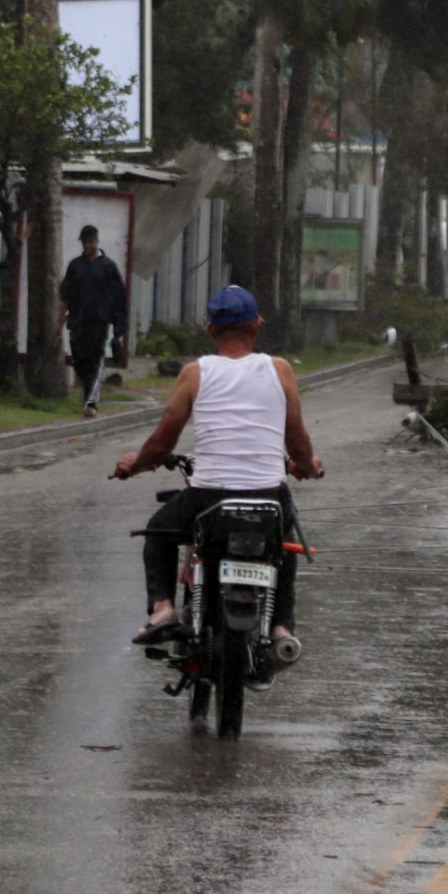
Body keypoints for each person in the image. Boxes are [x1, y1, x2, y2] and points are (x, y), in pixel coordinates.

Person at [114, 285, 324, 666]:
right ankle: (281, 627)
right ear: (257, 326)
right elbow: (298, 442)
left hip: (208, 499)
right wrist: (309, 467)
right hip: (267, 496)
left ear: (211, 330)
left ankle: (162, 610)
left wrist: (135, 464)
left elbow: (162, 444)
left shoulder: (195, 373)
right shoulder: (281, 370)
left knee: (158, 534)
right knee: (285, 545)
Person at [55, 223, 129, 418]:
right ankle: (89, 390)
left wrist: (119, 326)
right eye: (84, 242)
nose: (87, 245)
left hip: (99, 321)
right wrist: (59, 320)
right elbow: (65, 295)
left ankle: (91, 401)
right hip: (78, 320)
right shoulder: (75, 266)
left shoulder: (108, 266)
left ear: (96, 241)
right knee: (79, 359)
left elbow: (119, 297)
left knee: (96, 360)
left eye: (90, 241)